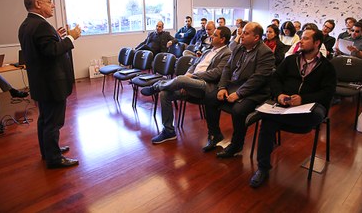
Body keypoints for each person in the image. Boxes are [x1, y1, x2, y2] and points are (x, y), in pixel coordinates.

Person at [249, 26, 336, 188]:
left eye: (305, 38)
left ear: (316, 43)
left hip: (309, 108)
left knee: (315, 115)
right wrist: (279, 94)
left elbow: (327, 93)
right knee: (268, 125)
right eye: (301, 37)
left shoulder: (327, 67)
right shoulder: (291, 60)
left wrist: (303, 99)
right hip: (285, 103)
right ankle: (263, 168)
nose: (300, 41)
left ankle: (266, 114)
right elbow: (275, 79)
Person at [18, 0, 82, 169]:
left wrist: (59, 38)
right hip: (52, 84)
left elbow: (44, 50)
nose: (53, 5)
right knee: (53, 122)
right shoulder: (41, 26)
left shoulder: (26, 24)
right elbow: (52, 52)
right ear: (38, 4)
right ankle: (54, 159)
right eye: (49, 1)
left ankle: (48, 152)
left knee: (45, 120)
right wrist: (71, 37)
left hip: (41, 83)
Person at [140, 26, 232, 144]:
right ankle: (169, 131)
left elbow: (217, 73)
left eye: (214, 35)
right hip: (191, 82)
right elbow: (194, 65)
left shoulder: (227, 54)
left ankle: (156, 86)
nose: (211, 36)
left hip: (205, 85)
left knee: (181, 79)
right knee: (165, 94)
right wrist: (188, 77)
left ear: (222, 39)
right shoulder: (209, 51)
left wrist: (191, 78)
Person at [204, 22, 275, 157]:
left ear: (256, 38)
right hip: (234, 85)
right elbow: (227, 68)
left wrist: (239, 94)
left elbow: (258, 79)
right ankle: (215, 134)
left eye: (246, 33)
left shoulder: (265, 53)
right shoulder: (238, 48)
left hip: (255, 92)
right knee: (209, 97)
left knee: (238, 110)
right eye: (242, 32)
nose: (241, 35)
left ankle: (236, 145)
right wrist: (222, 87)